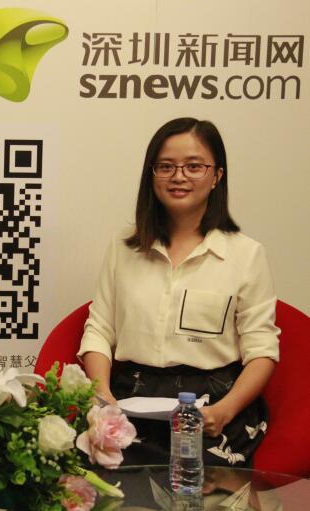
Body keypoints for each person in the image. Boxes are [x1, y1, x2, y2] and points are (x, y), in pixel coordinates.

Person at [77, 117, 280, 467]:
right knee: (111, 487)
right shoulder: (124, 247)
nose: (179, 176)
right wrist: (103, 396)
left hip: (212, 409)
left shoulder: (246, 254)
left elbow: (262, 350)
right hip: (130, 402)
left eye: (194, 166)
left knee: (195, 490)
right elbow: (99, 329)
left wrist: (224, 411)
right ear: (151, 175)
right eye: (166, 166)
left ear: (217, 176)